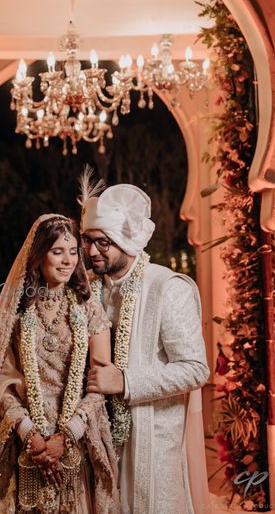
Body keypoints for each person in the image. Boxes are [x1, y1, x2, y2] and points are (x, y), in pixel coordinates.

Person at [0, 214, 120, 514]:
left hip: (76, 436)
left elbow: (101, 384)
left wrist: (67, 435)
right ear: (39, 255)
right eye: (57, 252)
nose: (68, 261)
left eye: (73, 252)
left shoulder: (89, 308)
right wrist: (30, 435)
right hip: (24, 438)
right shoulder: (17, 309)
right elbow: (0, 383)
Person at [79, 171, 210, 514]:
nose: (91, 251)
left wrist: (125, 381)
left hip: (152, 448)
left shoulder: (168, 288)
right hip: (96, 442)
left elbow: (195, 370)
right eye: (87, 240)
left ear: (127, 240)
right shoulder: (86, 290)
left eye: (102, 242)